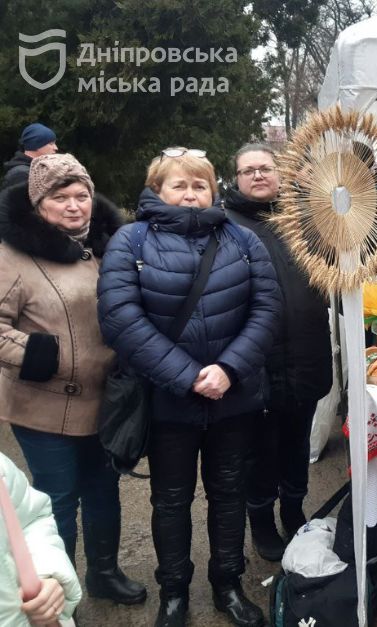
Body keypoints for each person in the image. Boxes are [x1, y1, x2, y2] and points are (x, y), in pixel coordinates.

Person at [97, 147, 281, 627]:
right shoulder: (131, 240)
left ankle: (228, 584)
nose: (191, 194)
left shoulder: (241, 239)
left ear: (214, 191)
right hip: (169, 402)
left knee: (229, 493)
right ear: (157, 190)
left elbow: (267, 308)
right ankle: (173, 592)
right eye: (179, 185)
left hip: (233, 398)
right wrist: (187, 376)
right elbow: (120, 318)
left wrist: (229, 369)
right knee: (171, 501)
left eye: (201, 185)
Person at [0, 154, 146, 606]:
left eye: (81, 195)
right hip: (43, 406)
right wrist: (40, 354)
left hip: (106, 402)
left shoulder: (109, 248)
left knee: (104, 493)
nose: (73, 205)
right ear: (37, 203)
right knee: (57, 501)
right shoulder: (11, 255)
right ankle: (59, 593)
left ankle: (104, 573)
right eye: (59, 197)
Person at [223, 143, 332, 561]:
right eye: (248, 170)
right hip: (256, 361)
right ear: (236, 179)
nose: (258, 175)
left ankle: (293, 507)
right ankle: (262, 519)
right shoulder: (225, 226)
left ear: (280, 174)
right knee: (259, 449)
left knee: (296, 442)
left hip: (305, 352)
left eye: (265, 168)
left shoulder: (303, 221)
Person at [1, 452, 82, 627]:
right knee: (62, 498)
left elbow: (31, 519)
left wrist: (46, 574)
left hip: (36, 617)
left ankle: (103, 575)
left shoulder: (2, 468)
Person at [2, 123, 58, 190]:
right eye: (51, 144)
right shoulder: (21, 174)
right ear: (36, 144)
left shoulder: (35, 170)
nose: (56, 148)